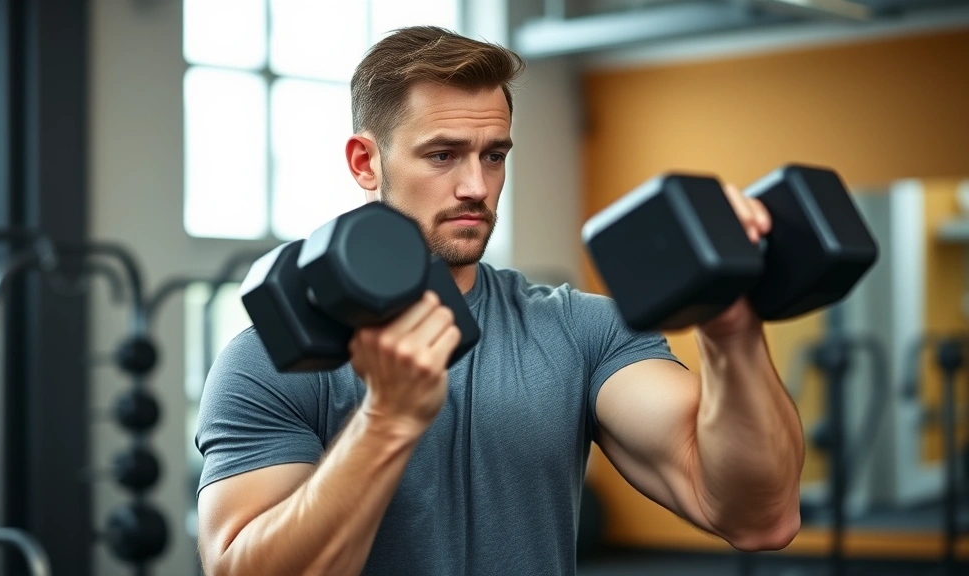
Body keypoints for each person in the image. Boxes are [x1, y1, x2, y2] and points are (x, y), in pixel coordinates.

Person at [194, 26, 804, 576]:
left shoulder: (582, 330)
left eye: (494, 156)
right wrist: (387, 423)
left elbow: (759, 517)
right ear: (365, 161)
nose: (476, 187)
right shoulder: (271, 361)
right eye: (442, 155)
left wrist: (729, 328)